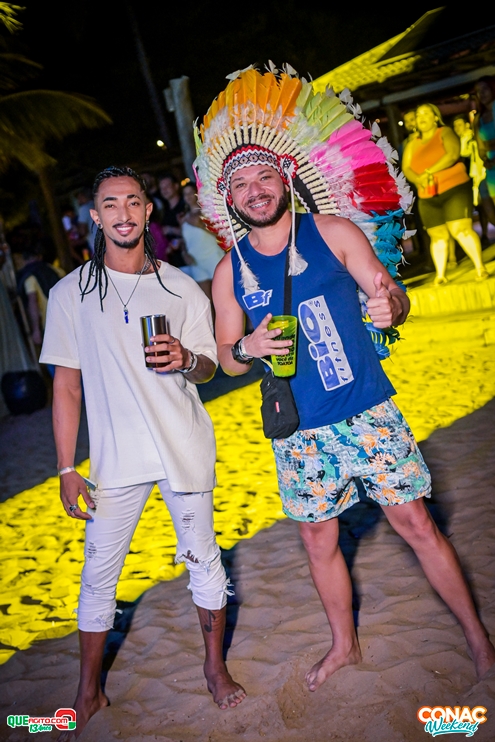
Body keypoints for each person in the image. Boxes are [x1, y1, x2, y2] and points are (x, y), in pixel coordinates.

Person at [196, 65, 495, 691]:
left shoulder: (333, 232)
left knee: (416, 525)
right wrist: (246, 345)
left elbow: (390, 295)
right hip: (298, 431)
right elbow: (226, 359)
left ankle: (478, 639)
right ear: (230, 198)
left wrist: (392, 305)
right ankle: (344, 645)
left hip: (366, 411)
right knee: (317, 540)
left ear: (286, 177)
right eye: (240, 183)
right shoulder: (229, 272)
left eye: (263, 175)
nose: (255, 190)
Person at [40, 166, 245, 739]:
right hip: (115, 460)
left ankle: (215, 668)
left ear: (148, 211)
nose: (123, 213)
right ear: (95, 216)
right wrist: (66, 467)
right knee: (98, 575)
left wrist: (186, 358)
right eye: (111, 204)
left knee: (203, 560)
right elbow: (67, 386)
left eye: (133, 201)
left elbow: (208, 367)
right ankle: (88, 690)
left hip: (183, 446)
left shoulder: (180, 287)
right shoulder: (70, 294)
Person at [402, 103, 488, 285]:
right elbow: (406, 167)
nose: (421, 117)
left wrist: (428, 172)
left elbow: (452, 154)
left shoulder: (445, 132)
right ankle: (440, 275)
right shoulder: (412, 143)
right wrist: (418, 179)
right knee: (437, 235)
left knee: (460, 229)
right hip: (427, 194)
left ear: (435, 117)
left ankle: (480, 267)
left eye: (426, 113)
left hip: (454, 188)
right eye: (419, 115)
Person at [179, 181, 224, 299]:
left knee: (223, 296)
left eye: (191, 193)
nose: (188, 196)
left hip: (214, 257)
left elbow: (221, 234)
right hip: (196, 262)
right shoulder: (183, 218)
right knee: (206, 300)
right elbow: (184, 241)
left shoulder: (209, 211)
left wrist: (200, 224)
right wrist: (184, 253)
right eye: (185, 194)